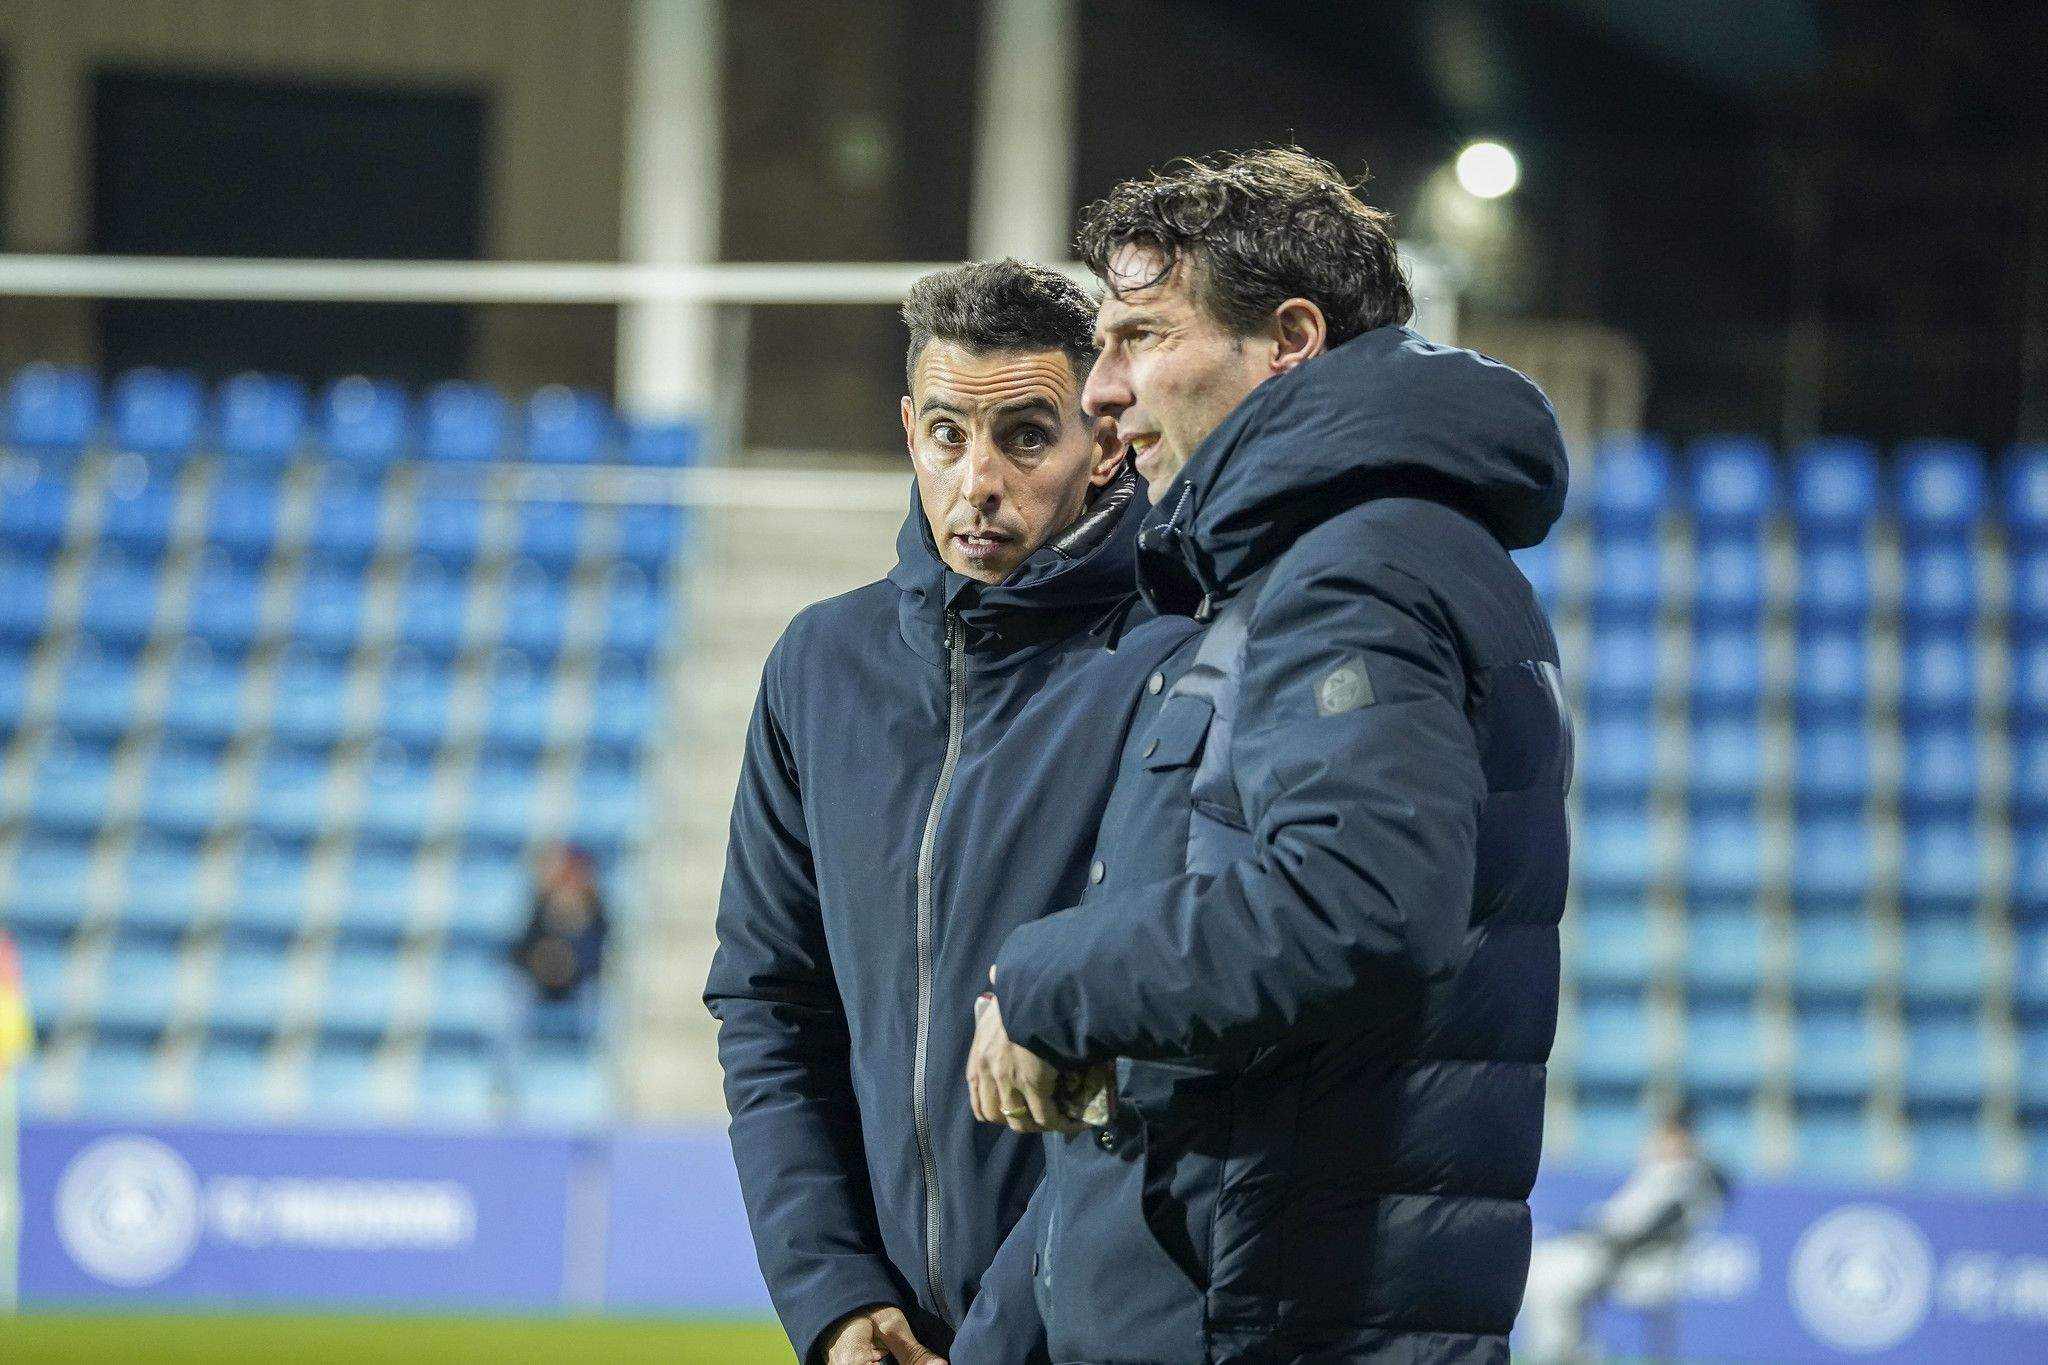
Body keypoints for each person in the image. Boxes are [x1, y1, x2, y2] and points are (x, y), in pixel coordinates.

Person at [962, 147, 1573, 1363]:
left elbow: (1359, 901)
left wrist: (1047, 977)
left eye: (1140, 338)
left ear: (1287, 339)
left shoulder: (1355, 573)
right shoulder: (1328, 564)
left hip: (1275, 1320)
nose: (1099, 389)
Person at [705, 260, 1199, 1365]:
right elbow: (769, 1006)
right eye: (944, 434)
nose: (976, 480)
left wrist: (998, 1339)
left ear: (1103, 442)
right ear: (906, 430)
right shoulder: (817, 666)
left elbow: (1166, 1053)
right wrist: (831, 1296)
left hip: (1090, 1332)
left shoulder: (1178, 661)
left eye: (1025, 437)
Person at [1517, 1109, 1730, 1365]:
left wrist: (1607, 1241)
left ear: (1685, 1138)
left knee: (1552, 1278)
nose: (1661, 1140)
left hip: (1639, 1264)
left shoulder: (1689, 1178)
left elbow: (1653, 1227)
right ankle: (1570, 1352)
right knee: (1541, 1267)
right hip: (1612, 1251)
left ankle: (1569, 1354)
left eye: (1671, 1135)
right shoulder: (1659, 1170)